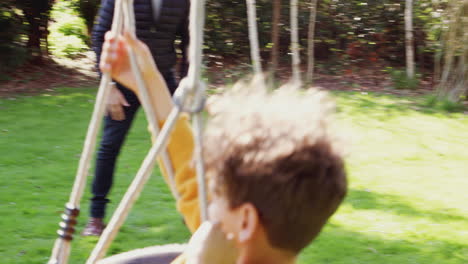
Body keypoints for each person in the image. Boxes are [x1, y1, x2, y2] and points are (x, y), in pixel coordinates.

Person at [99, 31, 348, 264]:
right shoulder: (233, 237)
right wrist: (148, 81)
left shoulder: (214, 249)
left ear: (246, 221)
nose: (209, 202)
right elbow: (187, 170)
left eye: (216, 194)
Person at [82, 0, 190, 236]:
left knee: (179, 143)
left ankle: (191, 208)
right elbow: (101, 35)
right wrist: (108, 84)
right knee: (109, 146)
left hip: (162, 80)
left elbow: (188, 39)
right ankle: (95, 218)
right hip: (125, 80)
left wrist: (185, 82)